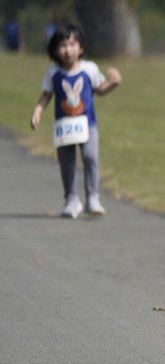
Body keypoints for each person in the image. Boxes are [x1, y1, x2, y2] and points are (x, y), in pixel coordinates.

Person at [29, 22, 122, 218]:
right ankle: (72, 200)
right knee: (67, 163)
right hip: (64, 126)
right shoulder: (53, 72)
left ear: (81, 48)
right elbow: (46, 95)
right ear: (55, 50)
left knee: (90, 157)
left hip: (88, 125)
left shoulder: (89, 69)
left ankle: (93, 198)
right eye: (62, 45)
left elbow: (100, 89)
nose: (67, 50)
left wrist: (113, 83)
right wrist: (38, 110)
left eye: (72, 45)